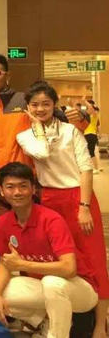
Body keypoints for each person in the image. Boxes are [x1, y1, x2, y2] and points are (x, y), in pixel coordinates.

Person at [16, 81, 109, 337]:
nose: (40, 109)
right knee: (56, 259)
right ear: (27, 107)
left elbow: (86, 169)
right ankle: (58, 319)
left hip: (79, 197)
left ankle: (100, 325)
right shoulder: (25, 136)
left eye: (46, 104)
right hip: (49, 201)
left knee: (94, 259)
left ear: (54, 104)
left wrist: (84, 206)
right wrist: (37, 127)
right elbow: (43, 153)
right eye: (34, 105)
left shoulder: (70, 131)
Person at [0, 162, 98, 338]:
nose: (17, 192)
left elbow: (69, 269)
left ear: (33, 189)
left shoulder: (51, 220)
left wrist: (22, 264)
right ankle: (42, 321)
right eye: (10, 187)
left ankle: (57, 335)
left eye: (23, 186)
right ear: (2, 191)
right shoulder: (3, 223)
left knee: (52, 282)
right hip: (45, 287)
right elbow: (4, 263)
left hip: (81, 289)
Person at [0, 54, 88, 217]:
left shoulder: (25, 101)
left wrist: (82, 117)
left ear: (8, 75)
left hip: (28, 181)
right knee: (5, 228)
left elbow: (59, 116)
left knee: (33, 228)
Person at [83, 100, 102, 174]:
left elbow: (91, 107)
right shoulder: (90, 117)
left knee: (91, 152)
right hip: (89, 135)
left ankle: (96, 168)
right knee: (89, 152)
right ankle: (93, 167)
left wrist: (85, 101)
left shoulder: (95, 115)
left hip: (91, 135)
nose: (89, 110)